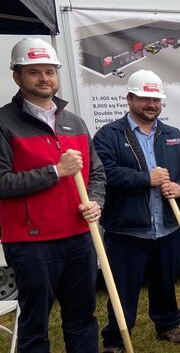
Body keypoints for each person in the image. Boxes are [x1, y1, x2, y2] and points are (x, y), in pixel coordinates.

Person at [0, 38, 105, 352]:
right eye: (34, 72)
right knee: (35, 323)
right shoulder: (4, 123)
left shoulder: (74, 122)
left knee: (82, 316)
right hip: (31, 242)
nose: (44, 78)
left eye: (49, 71)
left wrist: (96, 201)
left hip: (79, 236)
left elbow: (96, 173)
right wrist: (55, 172)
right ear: (17, 76)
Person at [93, 70, 180, 351]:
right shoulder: (109, 135)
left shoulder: (172, 135)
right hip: (127, 230)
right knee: (123, 288)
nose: (151, 105)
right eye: (144, 99)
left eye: (155, 100)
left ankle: (168, 325)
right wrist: (145, 178)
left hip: (167, 227)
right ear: (130, 99)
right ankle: (116, 338)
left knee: (165, 281)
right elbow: (104, 173)